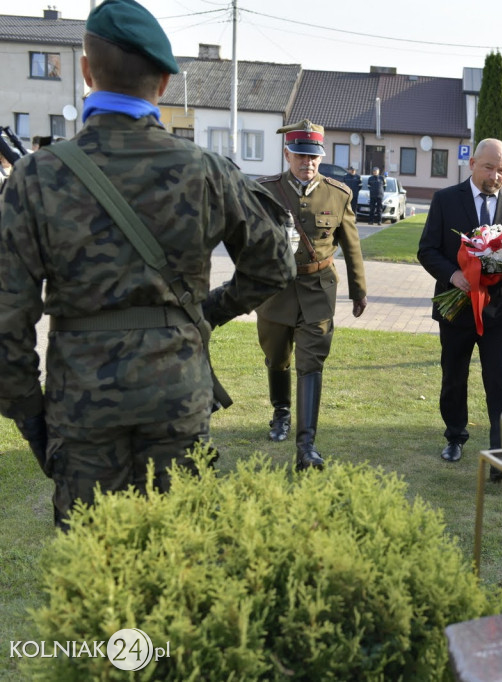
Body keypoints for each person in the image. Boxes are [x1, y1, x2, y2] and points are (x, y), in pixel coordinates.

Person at [0, 0, 295, 529]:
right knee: (178, 560)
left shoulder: (35, 177)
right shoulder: (206, 171)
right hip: (177, 395)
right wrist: (207, 311)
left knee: (95, 572)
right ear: (163, 84)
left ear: (87, 72)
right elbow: (275, 265)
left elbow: (6, 319)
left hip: (83, 403)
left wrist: (30, 416)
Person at [256, 119, 368, 471]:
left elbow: (351, 248)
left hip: (318, 290)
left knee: (311, 363)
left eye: (314, 156)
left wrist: (359, 291)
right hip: (275, 290)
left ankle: (306, 446)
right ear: (288, 154)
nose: (308, 163)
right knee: (277, 357)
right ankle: (281, 411)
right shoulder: (265, 190)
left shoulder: (338, 194)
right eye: (301, 156)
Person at [417, 138, 502, 478]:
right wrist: (453, 275)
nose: (496, 176)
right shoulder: (445, 200)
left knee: (501, 380)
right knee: (455, 376)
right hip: (457, 309)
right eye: (489, 167)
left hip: (501, 311)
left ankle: (501, 453)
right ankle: (455, 435)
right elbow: (427, 249)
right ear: (471, 164)